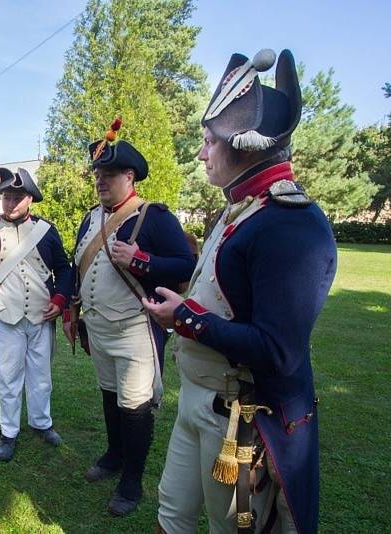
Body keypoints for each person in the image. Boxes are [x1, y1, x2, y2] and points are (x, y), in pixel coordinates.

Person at [144, 49, 337, 534]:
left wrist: (185, 319)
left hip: (241, 419)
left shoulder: (290, 224)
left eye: (210, 141)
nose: (202, 152)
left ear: (244, 146)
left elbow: (277, 350)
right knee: (172, 512)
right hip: (199, 399)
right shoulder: (242, 208)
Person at [62, 120, 196, 517]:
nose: (100, 181)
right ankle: (114, 454)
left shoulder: (153, 216)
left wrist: (142, 261)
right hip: (99, 326)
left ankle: (132, 481)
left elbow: (186, 265)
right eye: (97, 175)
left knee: (135, 405)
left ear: (129, 175)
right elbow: (76, 265)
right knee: (109, 394)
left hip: (136, 329)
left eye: (108, 175)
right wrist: (71, 308)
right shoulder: (90, 219)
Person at [0, 159, 72, 461]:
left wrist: (60, 300)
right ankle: (8, 432)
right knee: (8, 379)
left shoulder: (46, 231)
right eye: (6, 197)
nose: (9, 202)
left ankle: (41, 423)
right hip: (4, 316)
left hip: (40, 316)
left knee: (41, 376)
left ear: (30, 199)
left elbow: (64, 269)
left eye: (16, 197)